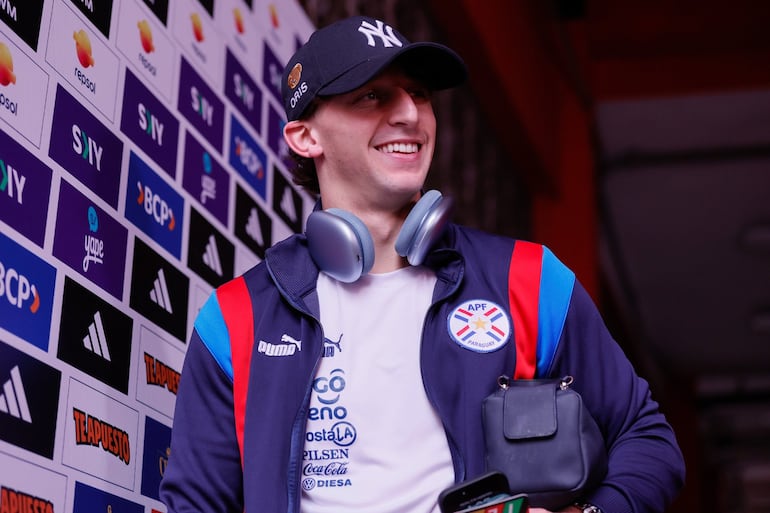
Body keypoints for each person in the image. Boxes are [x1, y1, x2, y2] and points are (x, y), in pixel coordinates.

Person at [160, 15, 685, 513]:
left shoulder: (528, 280)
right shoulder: (235, 318)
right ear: (306, 137)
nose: (410, 114)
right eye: (372, 95)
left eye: (420, 94)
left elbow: (647, 438)